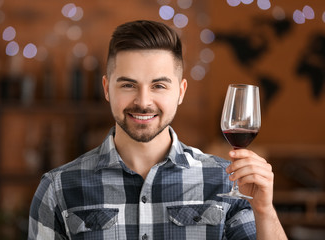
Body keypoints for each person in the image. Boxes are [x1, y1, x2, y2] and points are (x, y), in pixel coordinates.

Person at [28, 20, 287, 240]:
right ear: (107, 89)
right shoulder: (58, 190)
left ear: (181, 91)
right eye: (128, 85)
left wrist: (264, 210)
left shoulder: (227, 182)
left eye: (159, 86)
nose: (143, 101)